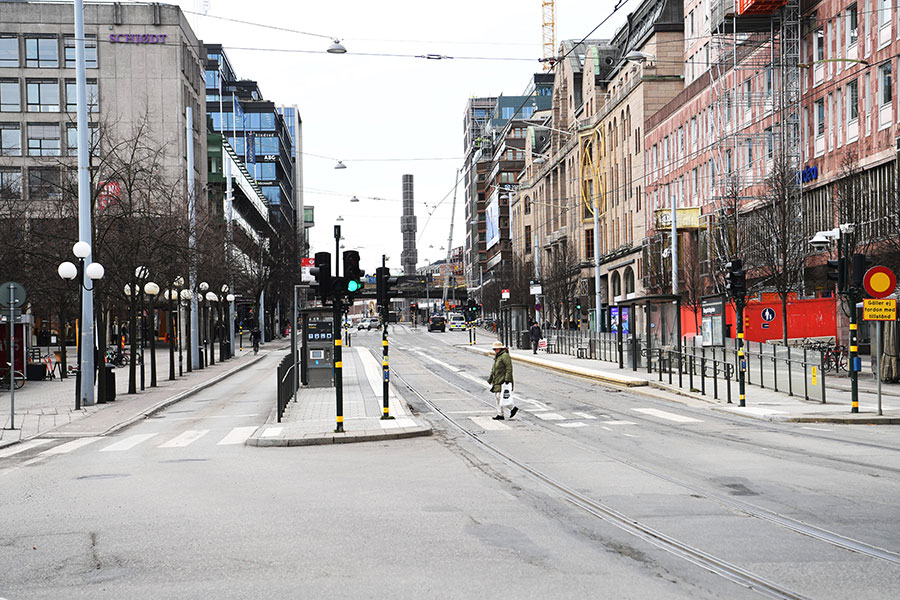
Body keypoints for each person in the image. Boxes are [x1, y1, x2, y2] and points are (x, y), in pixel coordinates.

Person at [487, 340, 517, 420]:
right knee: (498, 396)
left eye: (496, 349)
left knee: (500, 396)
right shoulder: (498, 356)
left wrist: (507, 379)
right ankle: (501, 413)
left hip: (503, 380)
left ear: (500, 349)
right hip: (497, 379)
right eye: (494, 349)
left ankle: (511, 409)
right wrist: (490, 378)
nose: (494, 351)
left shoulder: (504, 356)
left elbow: (509, 368)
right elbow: (494, 369)